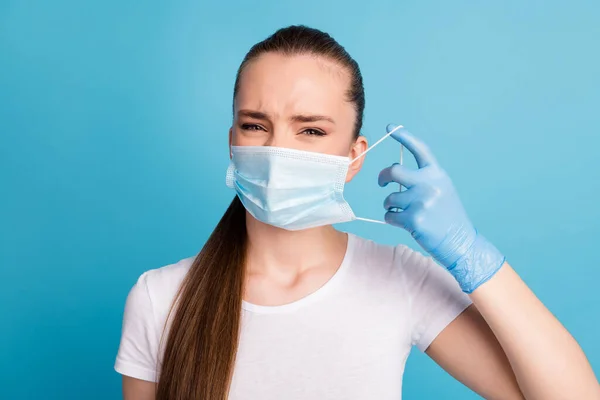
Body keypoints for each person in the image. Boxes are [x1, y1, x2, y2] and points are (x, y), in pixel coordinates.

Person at [114, 25, 600, 400]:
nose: (279, 149)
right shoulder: (161, 298)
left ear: (355, 157)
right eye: (255, 124)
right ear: (232, 142)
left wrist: (473, 257)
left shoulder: (398, 280)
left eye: (311, 131)